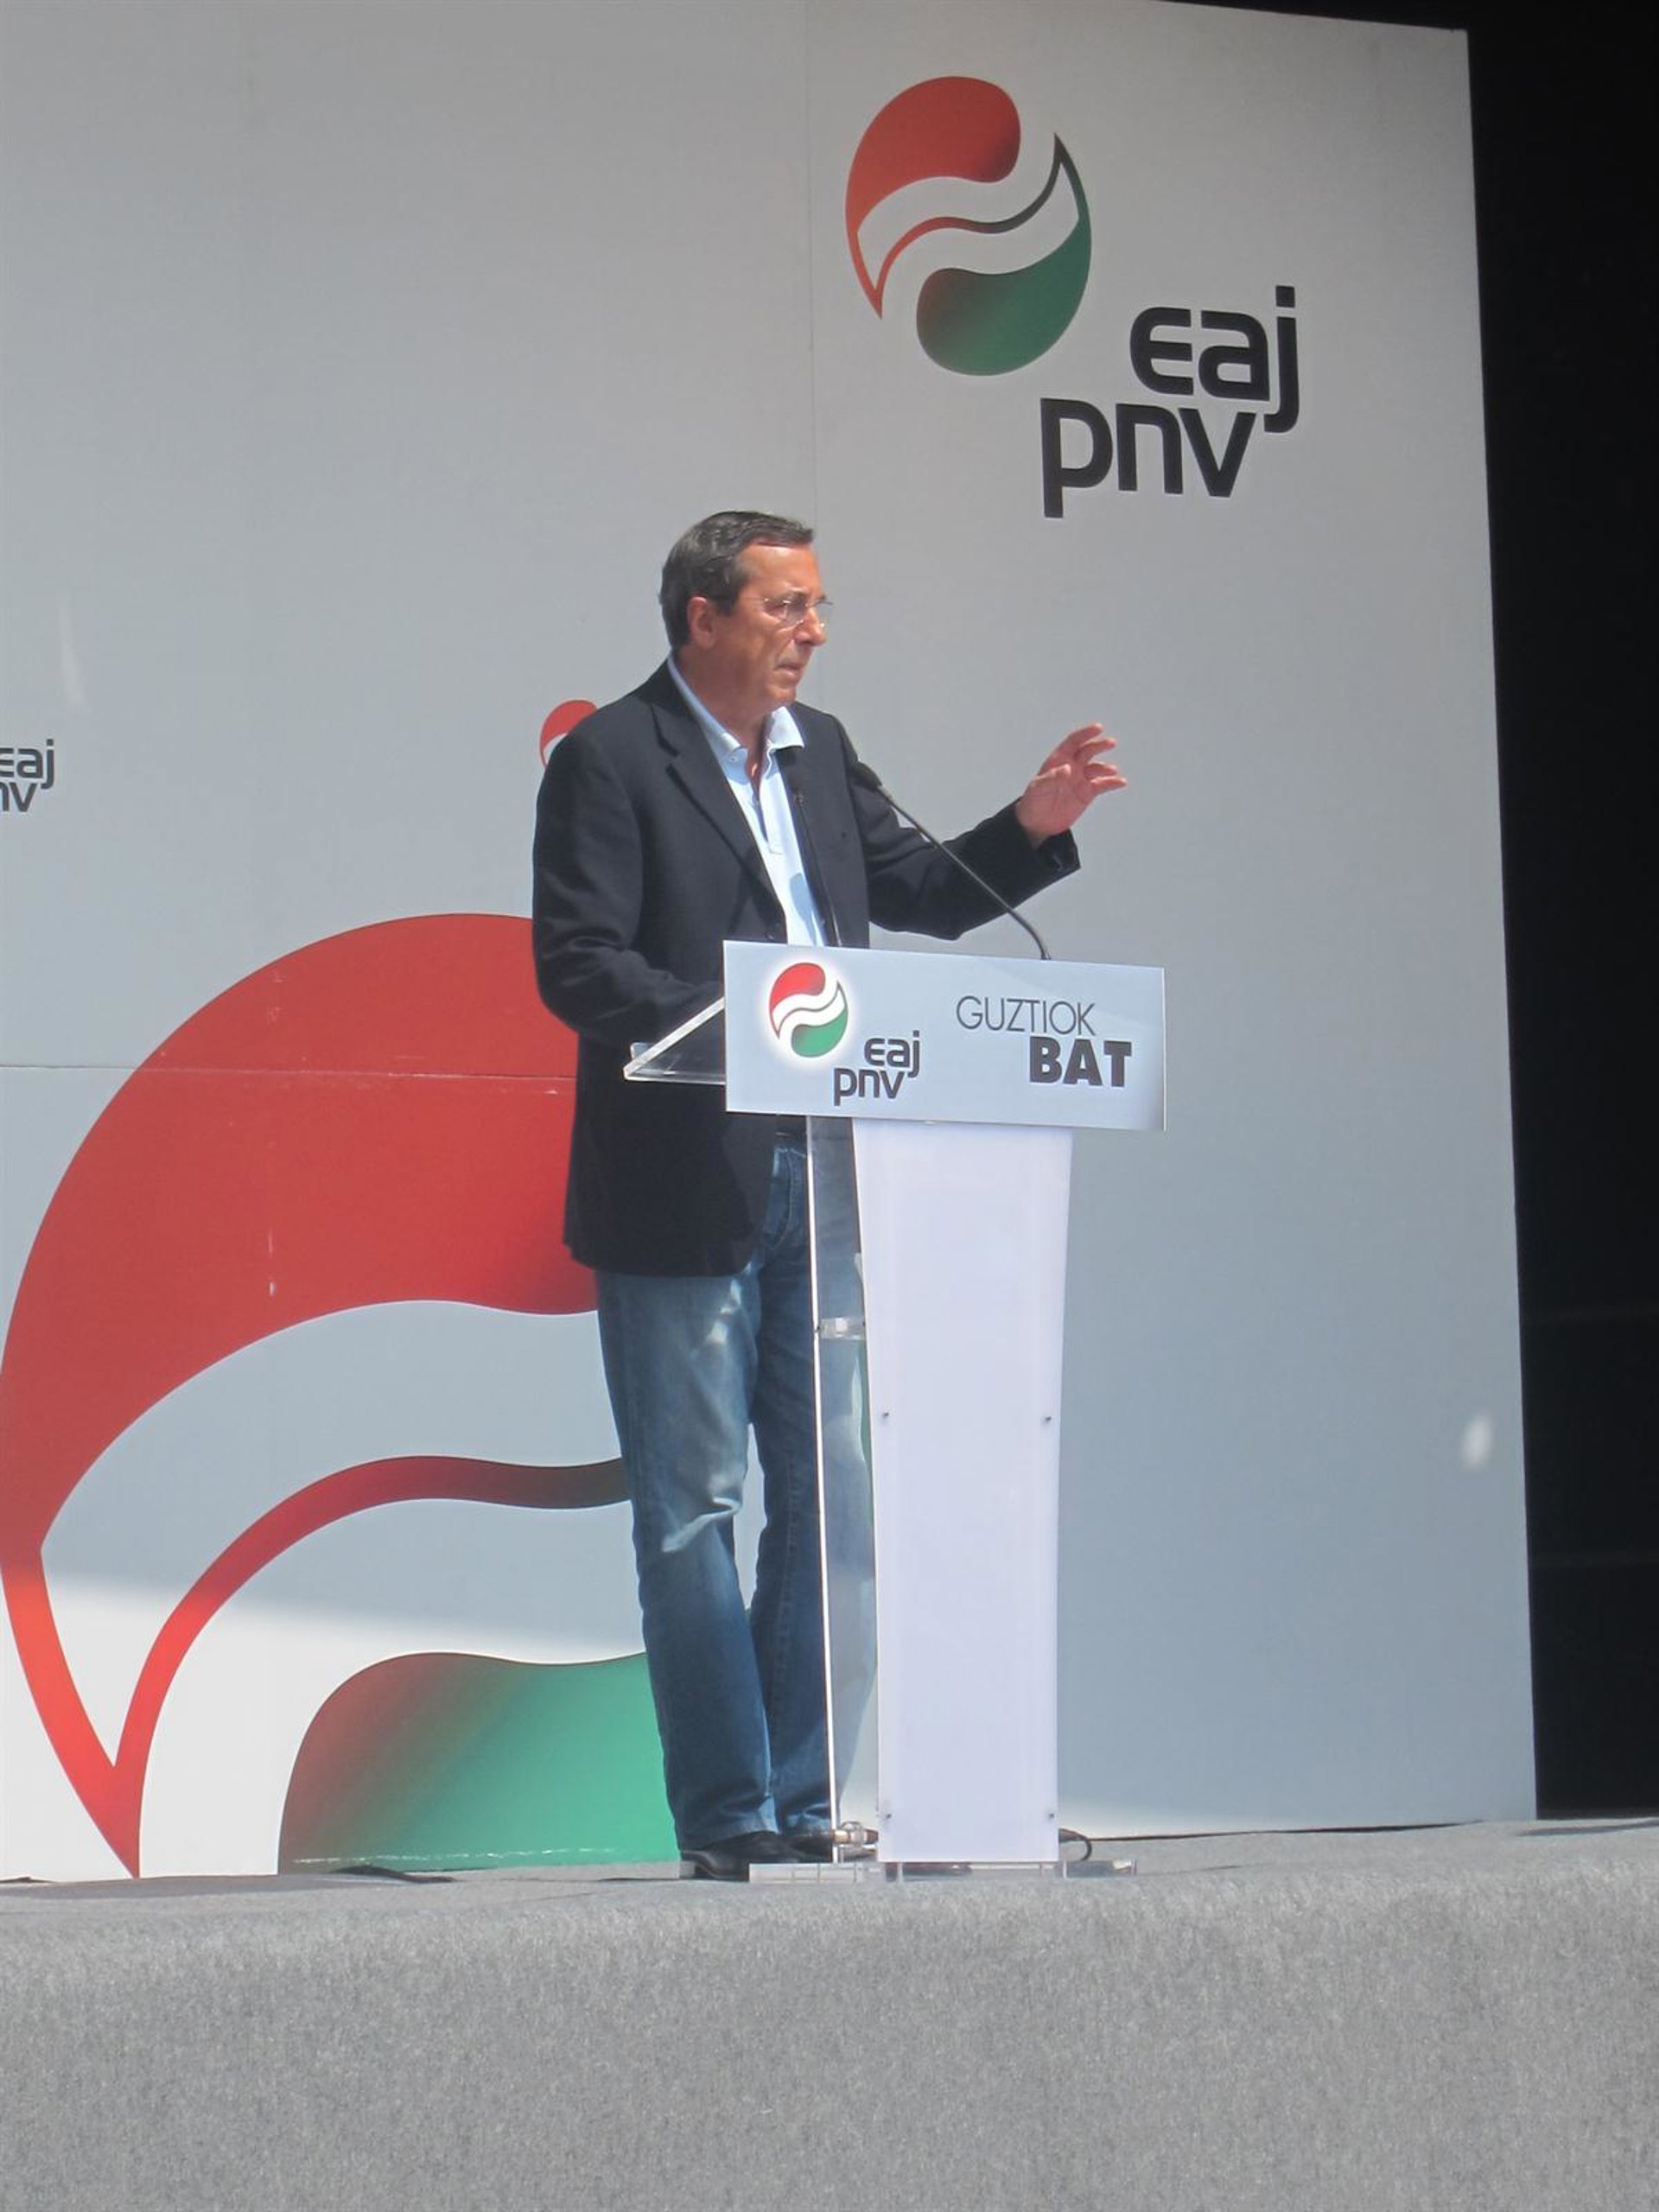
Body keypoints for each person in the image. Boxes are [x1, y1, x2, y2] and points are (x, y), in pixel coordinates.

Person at [532, 511, 1124, 1878]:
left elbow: (919, 888)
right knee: (693, 1507)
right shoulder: (613, 757)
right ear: (703, 618)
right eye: (785, 607)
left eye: (818, 608)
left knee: (827, 1493)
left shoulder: (821, 751)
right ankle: (728, 1814)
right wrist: (745, 1021)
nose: (812, 633)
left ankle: (804, 1801)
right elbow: (578, 963)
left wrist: (1030, 829)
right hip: (683, 1178)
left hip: (834, 1163)